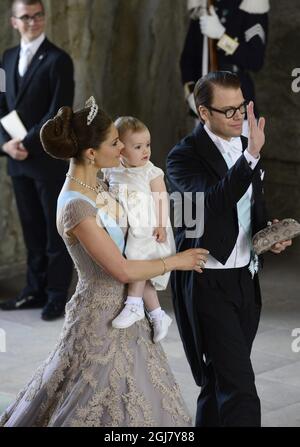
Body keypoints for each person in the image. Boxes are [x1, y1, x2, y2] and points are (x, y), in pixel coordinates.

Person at [0, 98, 209, 427]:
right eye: (114, 143)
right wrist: (175, 261)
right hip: (100, 318)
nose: (121, 149)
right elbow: (121, 269)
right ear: (91, 153)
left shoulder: (100, 182)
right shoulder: (76, 207)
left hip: (129, 308)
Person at [166, 71, 292, 427]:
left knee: (219, 379)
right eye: (229, 111)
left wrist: (269, 234)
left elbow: (252, 205)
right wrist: (251, 156)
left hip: (245, 278)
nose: (239, 117)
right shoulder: (182, 156)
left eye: (242, 107)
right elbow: (212, 204)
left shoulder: (243, 143)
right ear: (204, 113)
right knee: (240, 387)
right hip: (208, 282)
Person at [0, 0, 74, 321]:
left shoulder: (59, 60)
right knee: (30, 227)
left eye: (38, 15)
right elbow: (1, 103)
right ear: (14, 22)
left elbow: (58, 111)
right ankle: (34, 289)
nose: (33, 22)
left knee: (52, 228)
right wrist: (5, 145)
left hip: (46, 158)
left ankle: (57, 294)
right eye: (26, 17)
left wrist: (26, 142)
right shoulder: (6, 59)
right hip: (16, 159)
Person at [103, 117, 175, 343]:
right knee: (142, 278)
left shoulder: (151, 172)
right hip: (125, 228)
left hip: (149, 229)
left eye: (148, 145)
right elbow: (106, 193)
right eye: (138, 147)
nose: (145, 151)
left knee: (138, 263)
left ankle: (133, 305)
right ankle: (158, 315)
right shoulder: (112, 171)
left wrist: (161, 225)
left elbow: (162, 199)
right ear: (121, 149)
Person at [181, 0, 269, 119]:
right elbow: (187, 59)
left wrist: (222, 37)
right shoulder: (204, 6)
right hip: (206, 107)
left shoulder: (251, 5)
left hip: (237, 109)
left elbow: (255, 60)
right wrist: (192, 94)